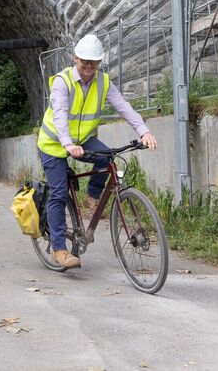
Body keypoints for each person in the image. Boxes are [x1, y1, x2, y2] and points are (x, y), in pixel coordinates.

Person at [37, 34, 157, 269]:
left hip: (83, 140)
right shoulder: (62, 82)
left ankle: (92, 195)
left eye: (94, 62)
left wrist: (144, 131)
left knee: (106, 156)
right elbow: (60, 115)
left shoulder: (103, 82)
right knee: (59, 193)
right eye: (85, 62)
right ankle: (60, 249)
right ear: (75, 58)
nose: (89, 67)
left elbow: (124, 106)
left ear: (100, 62)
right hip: (54, 145)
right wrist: (68, 145)